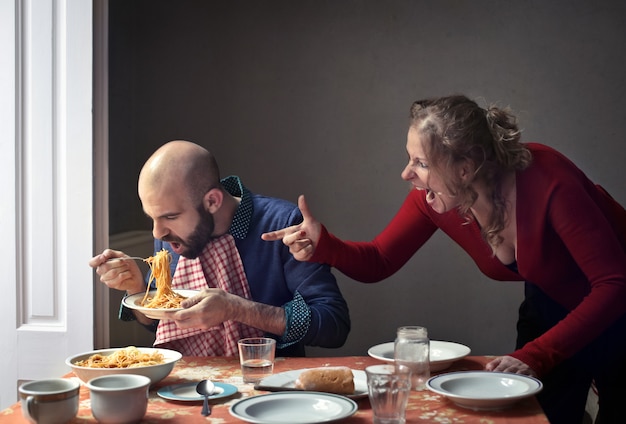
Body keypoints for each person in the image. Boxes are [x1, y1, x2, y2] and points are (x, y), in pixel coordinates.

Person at [262, 95, 626, 424]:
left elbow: (613, 284)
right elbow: (379, 260)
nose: (406, 174)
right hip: (550, 305)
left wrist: (538, 354)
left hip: (617, 306)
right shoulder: (436, 198)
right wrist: (324, 244)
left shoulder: (550, 181)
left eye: (420, 162)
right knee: (535, 419)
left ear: (465, 169)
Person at [90, 140, 350, 358]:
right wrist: (136, 289)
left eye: (169, 216)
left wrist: (237, 309)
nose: (157, 232)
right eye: (152, 217)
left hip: (267, 391)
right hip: (186, 389)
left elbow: (333, 324)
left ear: (212, 201)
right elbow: (165, 327)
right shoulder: (171, 235)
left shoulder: (282, 224)